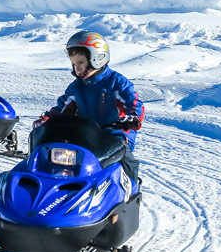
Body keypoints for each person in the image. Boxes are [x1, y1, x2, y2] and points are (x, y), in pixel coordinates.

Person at [33, 30, 145, 182]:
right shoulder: (76, 87)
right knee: (63, 156)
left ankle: (131, 190)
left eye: (80, 63)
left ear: (97, 59)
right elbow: (62, 109)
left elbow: (133, 102)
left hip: (114, 136)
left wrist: (132, 117)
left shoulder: (116, 83)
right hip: (85, 135)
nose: (76, 68)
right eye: (73, 64)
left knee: (126, 159)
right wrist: (47, 120)